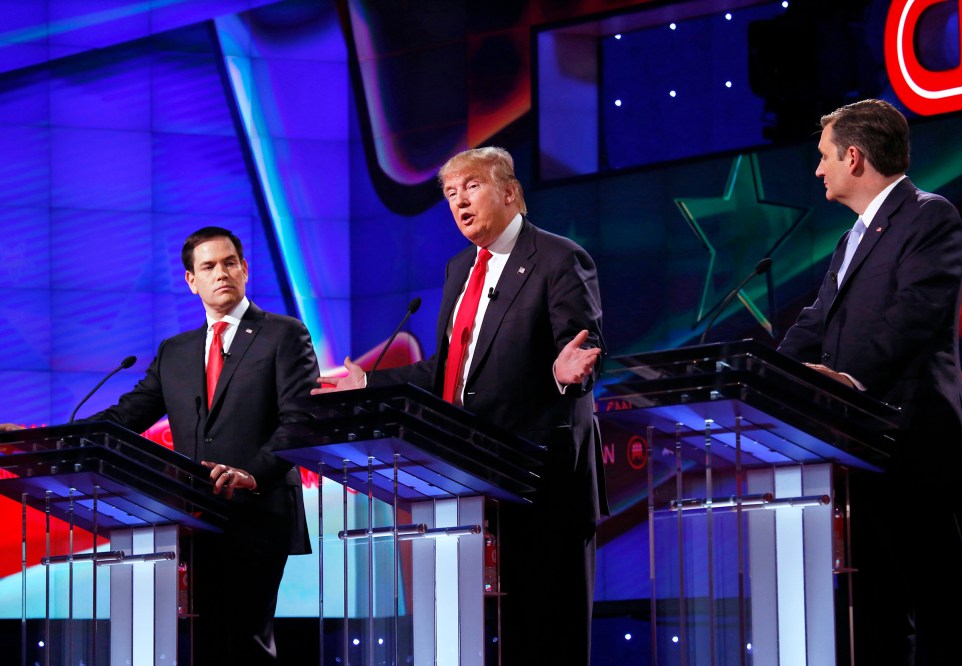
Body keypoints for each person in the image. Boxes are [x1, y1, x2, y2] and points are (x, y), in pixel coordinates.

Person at [314, 146, 606, 665]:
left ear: (511, 192)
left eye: (471, 186)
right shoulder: (460, 270)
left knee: (549, 636)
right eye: (451, 194)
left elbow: (583, 350)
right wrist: (369, 383)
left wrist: (566, 373)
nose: (459, 202)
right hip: (468, 481)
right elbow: (450, 373)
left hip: (542, 482)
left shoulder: (559, 258)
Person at [778, 99, 962, 664]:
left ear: (854, 157)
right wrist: (768, 377)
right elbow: (814, 323)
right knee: (874, 621)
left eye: (824, 156)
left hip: (917, 449)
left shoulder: (929, 216)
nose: (818, 169)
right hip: (858, 456)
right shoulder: (850, 239)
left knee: (947, 615)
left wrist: (847, 379)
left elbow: (915, 316)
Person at [84, 226, 319, 665]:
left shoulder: (284, 334)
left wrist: (252, 474)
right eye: (208, 267)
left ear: (244, 269)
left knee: (246, 641)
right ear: (192, 281)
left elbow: (302, 420)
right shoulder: (176, 350)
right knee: (203, 641)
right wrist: (56, 436)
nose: (221, 273)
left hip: (258, 512)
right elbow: (125, 416)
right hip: (192, 517)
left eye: (229, 263)